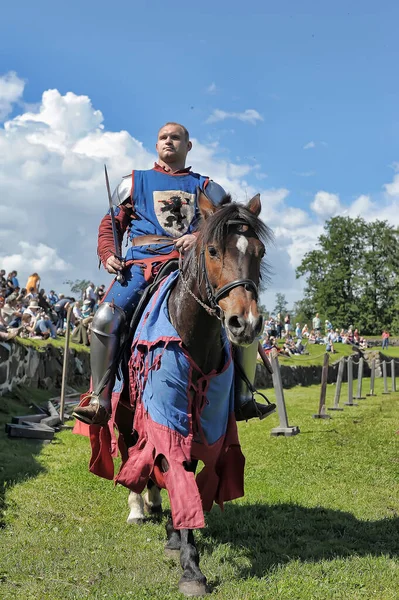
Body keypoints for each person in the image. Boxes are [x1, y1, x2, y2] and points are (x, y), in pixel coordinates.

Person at [74, 122, 271, 426]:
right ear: (156, 145)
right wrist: (109, 253)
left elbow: (227, 229)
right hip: (142, 266)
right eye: (163, 137)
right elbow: (111, 225)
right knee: (105, 318)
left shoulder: (207, 187)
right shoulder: (135, 182)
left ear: (187, 146)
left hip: (191, 266)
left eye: (176, 137)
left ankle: (244, 397)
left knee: (242, 314)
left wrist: (200, 237)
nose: (169, 141)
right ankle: (100, 399)